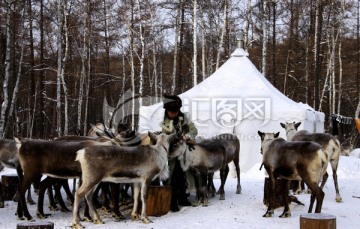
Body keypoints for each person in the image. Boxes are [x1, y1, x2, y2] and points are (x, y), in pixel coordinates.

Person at [160, 94, 198, 212]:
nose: (174, 114)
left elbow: (194, 130)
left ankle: (182, 198)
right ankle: (172, 201)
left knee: (184, 174)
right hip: (172, 152)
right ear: (167, 110)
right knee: (173, 176)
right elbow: (166, 137)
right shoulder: (165, 123)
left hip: (185, 151)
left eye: (176, 111)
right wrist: (175, 138)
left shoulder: (185, 117)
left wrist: (187, 136)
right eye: (172, 112)